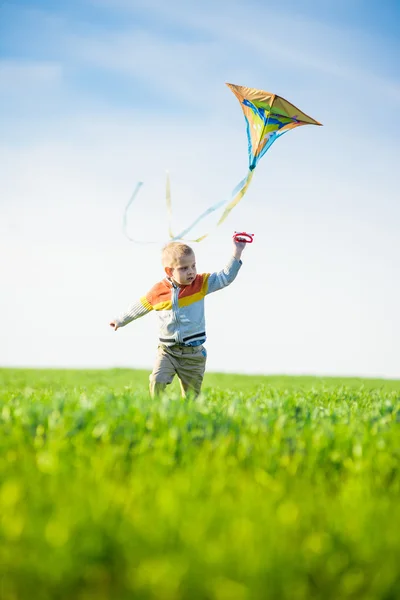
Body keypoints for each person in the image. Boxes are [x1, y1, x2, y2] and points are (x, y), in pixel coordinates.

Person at [110, 237, 248, 397]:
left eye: (193, 266)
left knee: (191, 396)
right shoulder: (158, 291)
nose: (191, 271)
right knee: (157, 380)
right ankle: (157, 412)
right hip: (167, 351)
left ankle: (188, 416)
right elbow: (139, 308)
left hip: (193, 354)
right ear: (169, 271)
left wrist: (237, 252)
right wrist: (120, 320)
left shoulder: (200, 284)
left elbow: (225, 277)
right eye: (184, 268)